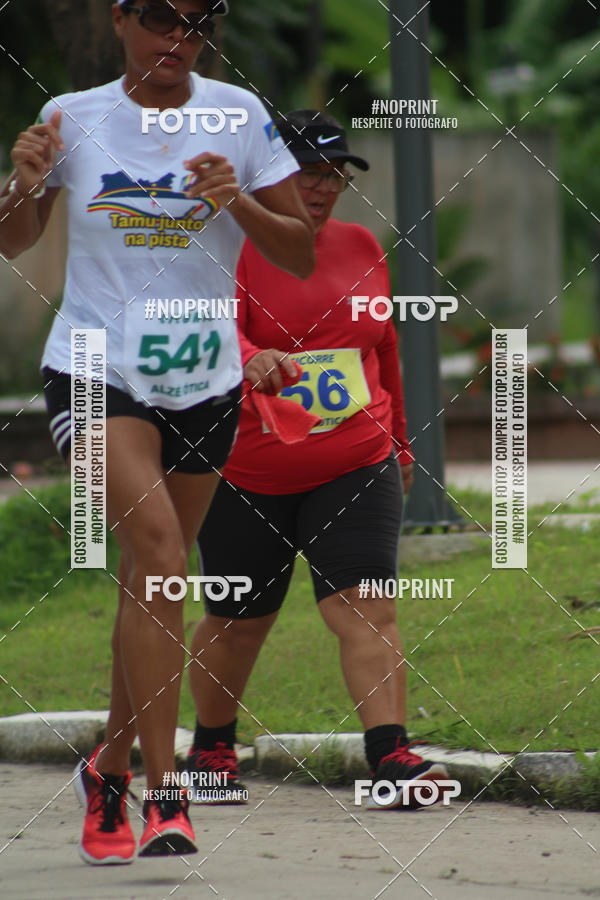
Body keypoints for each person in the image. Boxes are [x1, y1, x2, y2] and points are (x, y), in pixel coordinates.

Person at [0, 0, 314, 864]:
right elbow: (14, 243)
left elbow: (298, 250)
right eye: (161, 18)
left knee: (152, 580)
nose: (180, 38)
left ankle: (107, 764)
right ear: (119, 19)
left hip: (206, 381)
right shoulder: (74, 117)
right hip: (96, 367)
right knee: (162, 554)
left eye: (199, 21)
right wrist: (22, 184)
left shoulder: (240, 116)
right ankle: (164, 789)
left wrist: (237, 203)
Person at [185, 109, 449, 810]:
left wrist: (398, 440)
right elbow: (202, 329)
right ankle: (211, 748)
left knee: (367, 608)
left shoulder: (362, 245)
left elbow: (382, 347)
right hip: (246, 470)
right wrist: (251, 357)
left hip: (354, 461)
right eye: (308, 173)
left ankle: (390, 756)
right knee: (239, 621)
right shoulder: (224, 248)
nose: (324, 187)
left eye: (335, 175)